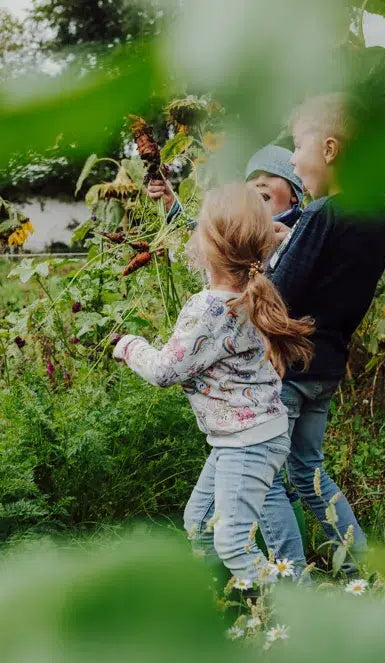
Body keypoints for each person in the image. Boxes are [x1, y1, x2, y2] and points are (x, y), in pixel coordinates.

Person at [112, 184, 314, 586]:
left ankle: (295, 620)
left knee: (232, 542)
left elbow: (165, 372)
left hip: (245, 439)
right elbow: (233, 256)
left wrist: (129, 346)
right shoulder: (255, 284)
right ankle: (221, 604)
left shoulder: (208, 308)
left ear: (211, 246)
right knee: (200, 521)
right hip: (249, 434)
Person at [263, 93, 385, 574]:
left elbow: (279, 293)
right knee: (309, 471)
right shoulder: (379, 218)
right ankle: (364, 571)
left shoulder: (323, 214)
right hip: (327, 369)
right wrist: (291, 238)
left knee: (267, 479)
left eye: (298, 145)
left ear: (330, 149)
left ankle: (294, 585)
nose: (293, 158)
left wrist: (272, 257)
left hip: (289, 367)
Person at [148, 145, 304, 233]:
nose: (260, 182)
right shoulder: (237, 230)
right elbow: (201, 235)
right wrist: (172, 205)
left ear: (294, 194)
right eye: (253, 177)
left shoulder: (306, 228)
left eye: (272, 175)